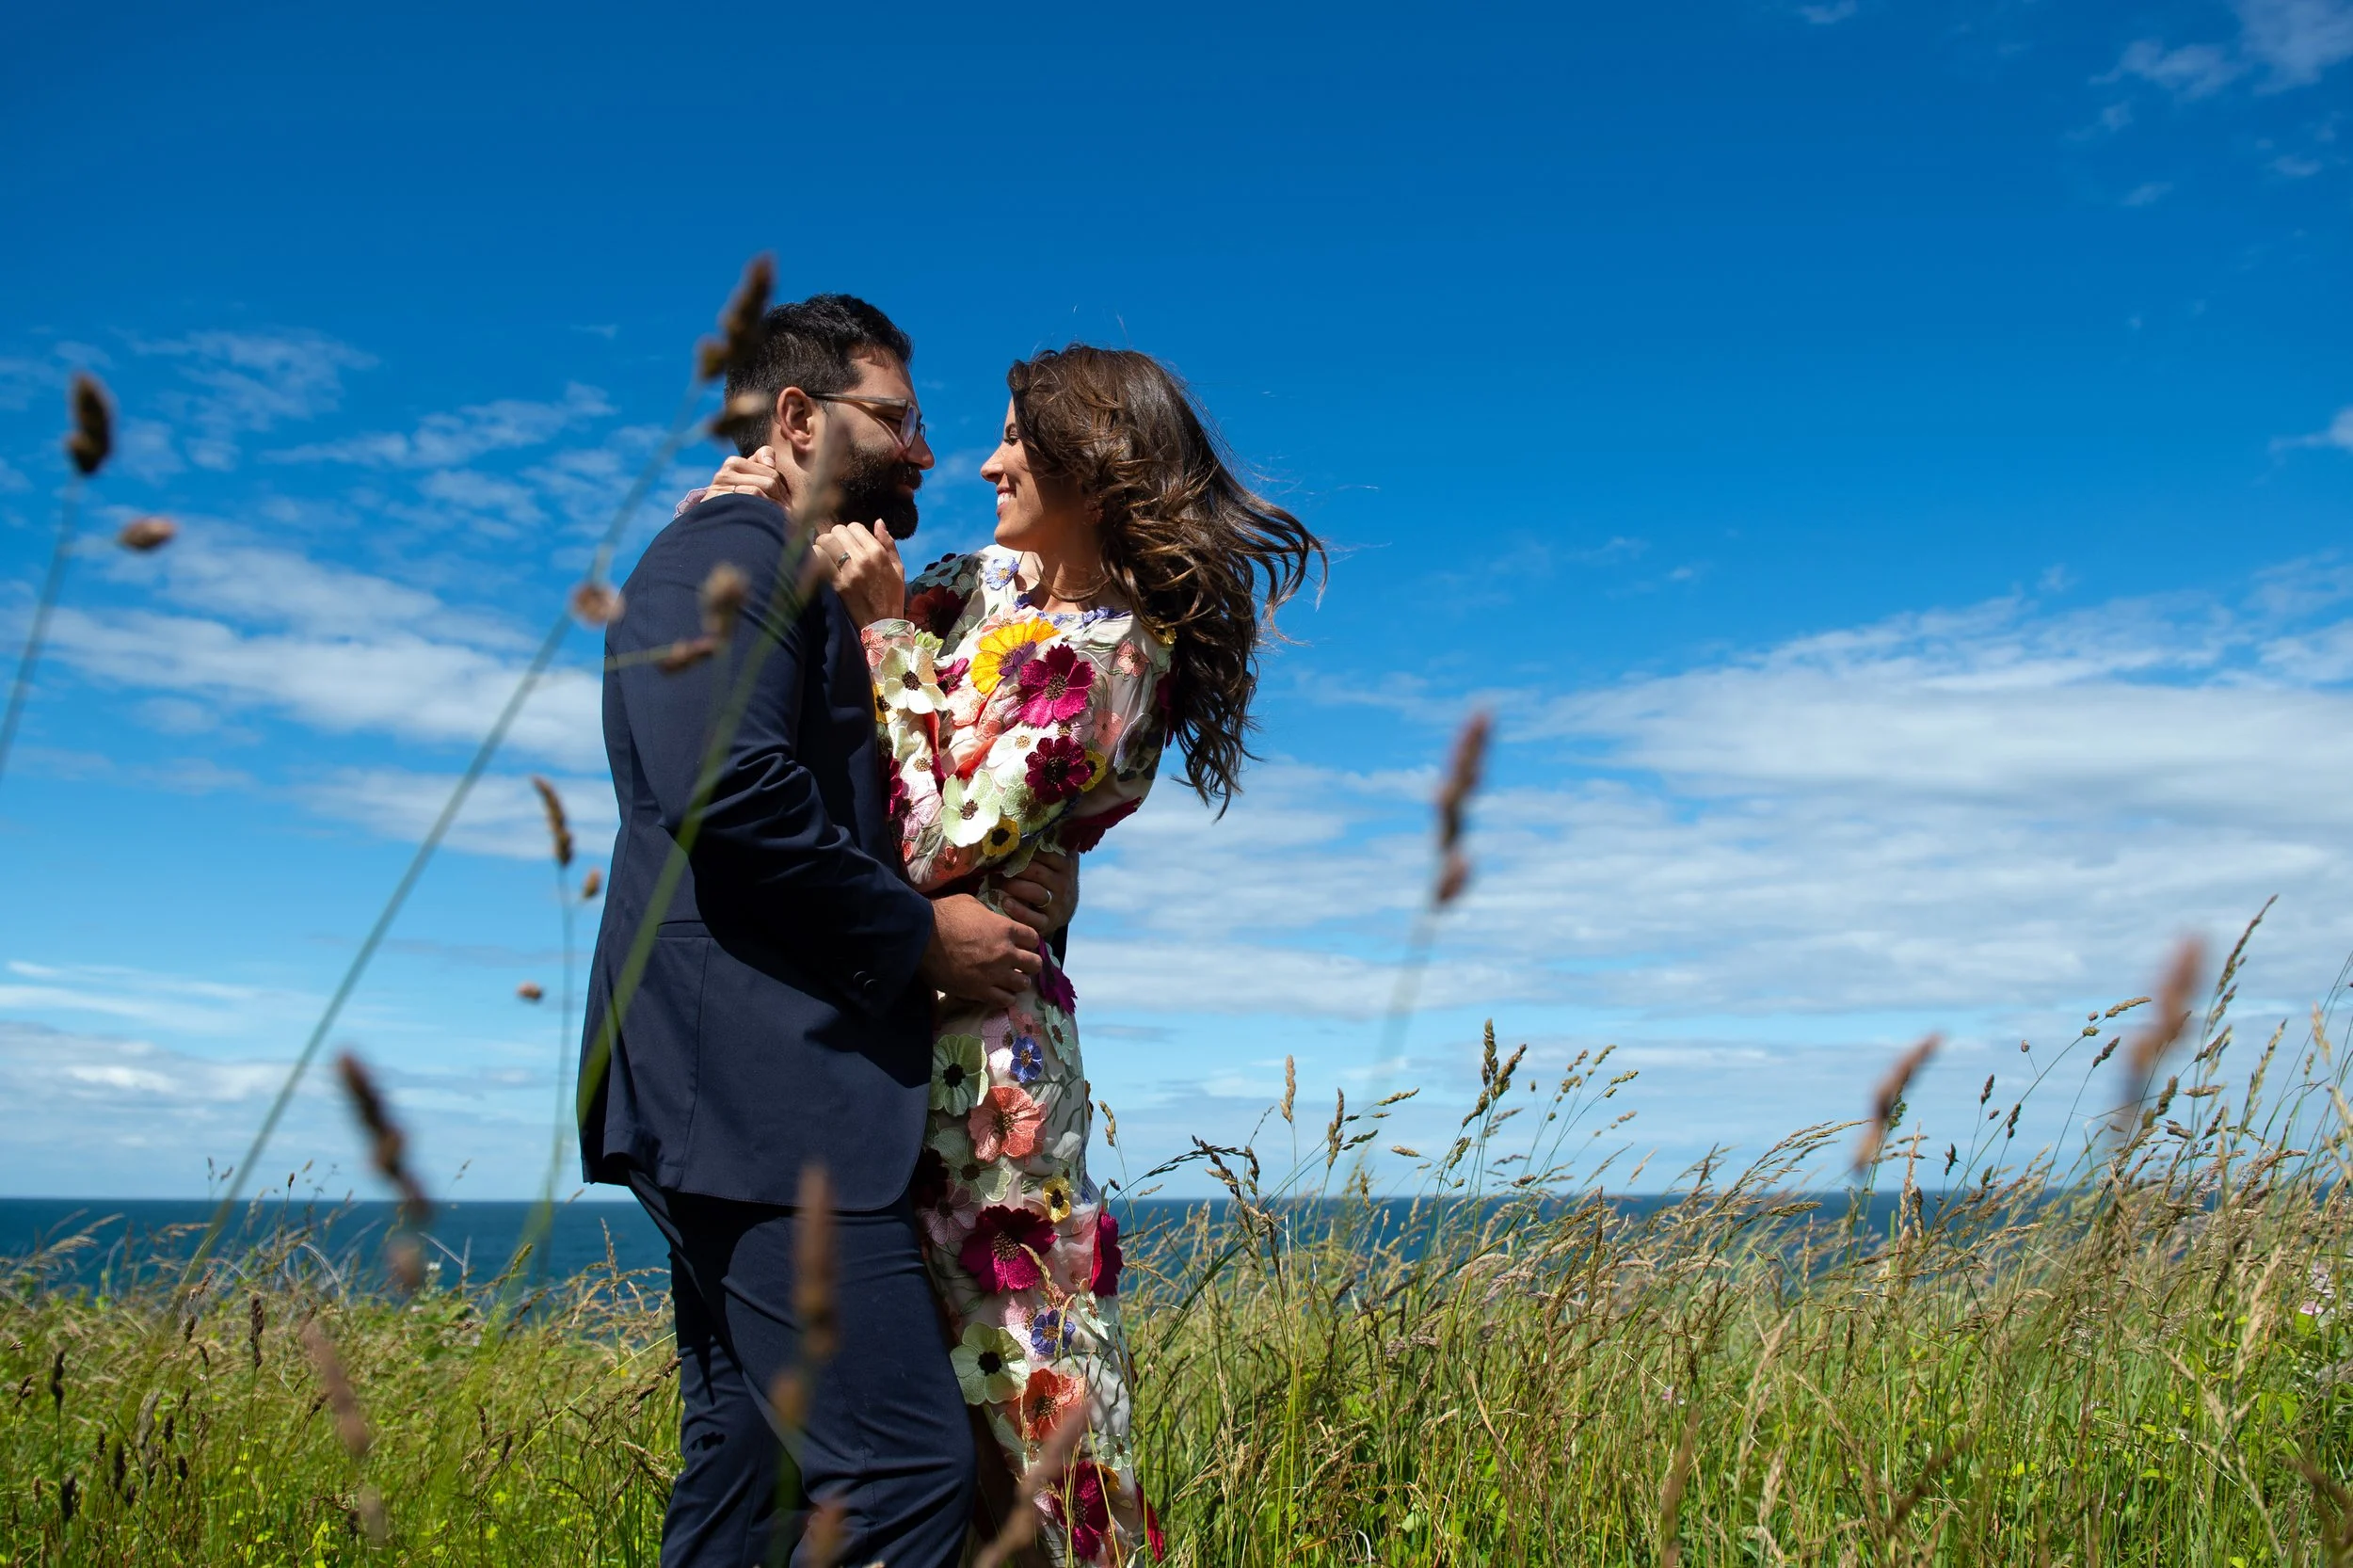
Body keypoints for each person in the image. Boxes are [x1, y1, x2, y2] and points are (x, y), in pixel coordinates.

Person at [703, 344, 1326, 1563]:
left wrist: (885, 629)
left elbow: (931, 836)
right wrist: (766, 502)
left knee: (1034, 1398)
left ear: (1091, 472)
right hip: (890, 1036)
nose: (986, 461)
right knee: (915, 1418)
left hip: (989, 1081)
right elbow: (852, 667)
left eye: (1015, 443)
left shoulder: (1111, 660)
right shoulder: (975, 581)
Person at [578, 294, 1076, 1568]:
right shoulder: (719, 561)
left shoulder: (776, 560)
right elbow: (726, 792)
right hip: (756, 1107)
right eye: (896, 420)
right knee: (902, 1470)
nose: (926, 451)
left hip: (751, 1102)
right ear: (798, 418)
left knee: (753, 1461)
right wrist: (923, 942)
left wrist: (1035, 863)